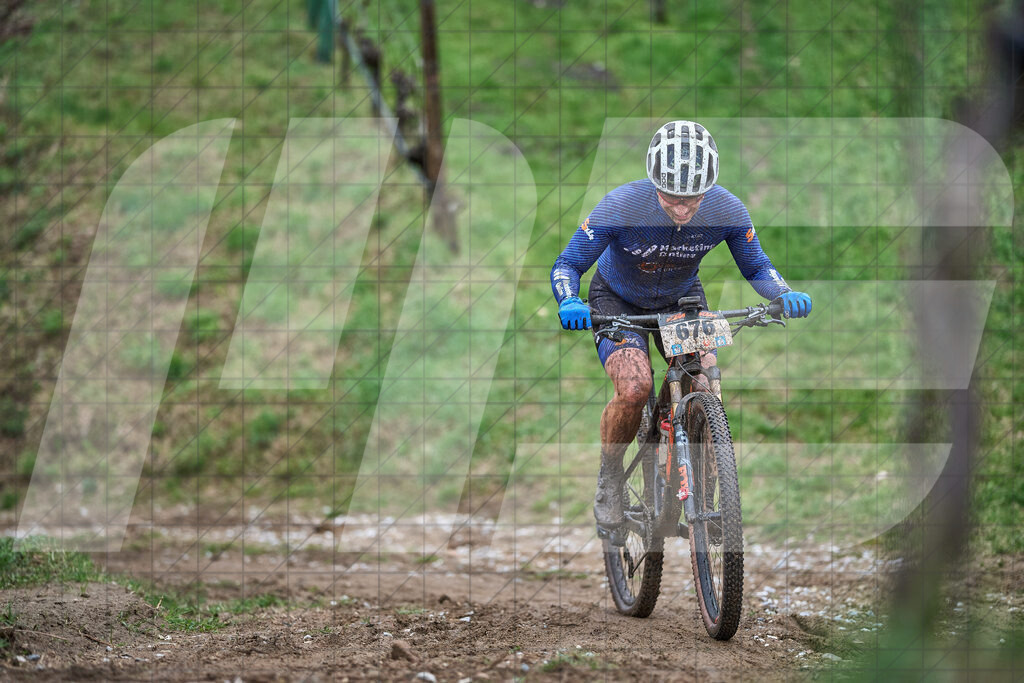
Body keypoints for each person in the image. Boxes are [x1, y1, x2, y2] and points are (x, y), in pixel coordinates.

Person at [550, 120, 812, 529]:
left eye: (693, 199)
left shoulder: (727, 209)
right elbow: (568, 263)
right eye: (672, 197)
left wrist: (782, 292)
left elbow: (757, 265)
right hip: (617, 299)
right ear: (654, 181)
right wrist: (569, 299)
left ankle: (705, 494)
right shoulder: (621, 205)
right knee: (635, 387)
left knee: (704, 379)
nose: (683, 209)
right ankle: (611, 475)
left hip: (682, 300)